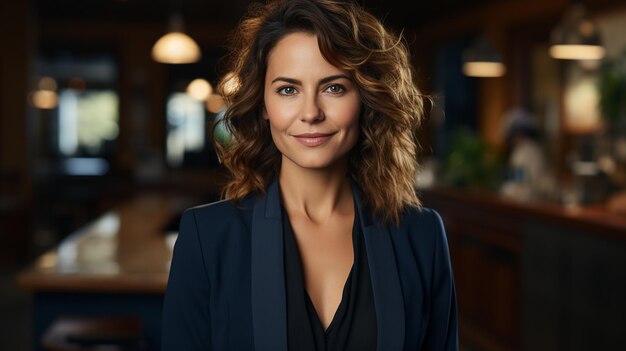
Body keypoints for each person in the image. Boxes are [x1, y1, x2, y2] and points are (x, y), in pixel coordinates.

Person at [162, 0, 458, 350]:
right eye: (288, 90)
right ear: (263, 106)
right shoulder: (208, 237)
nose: (311, 113)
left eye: (334, 87)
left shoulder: (421, 235)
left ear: (365, 98)